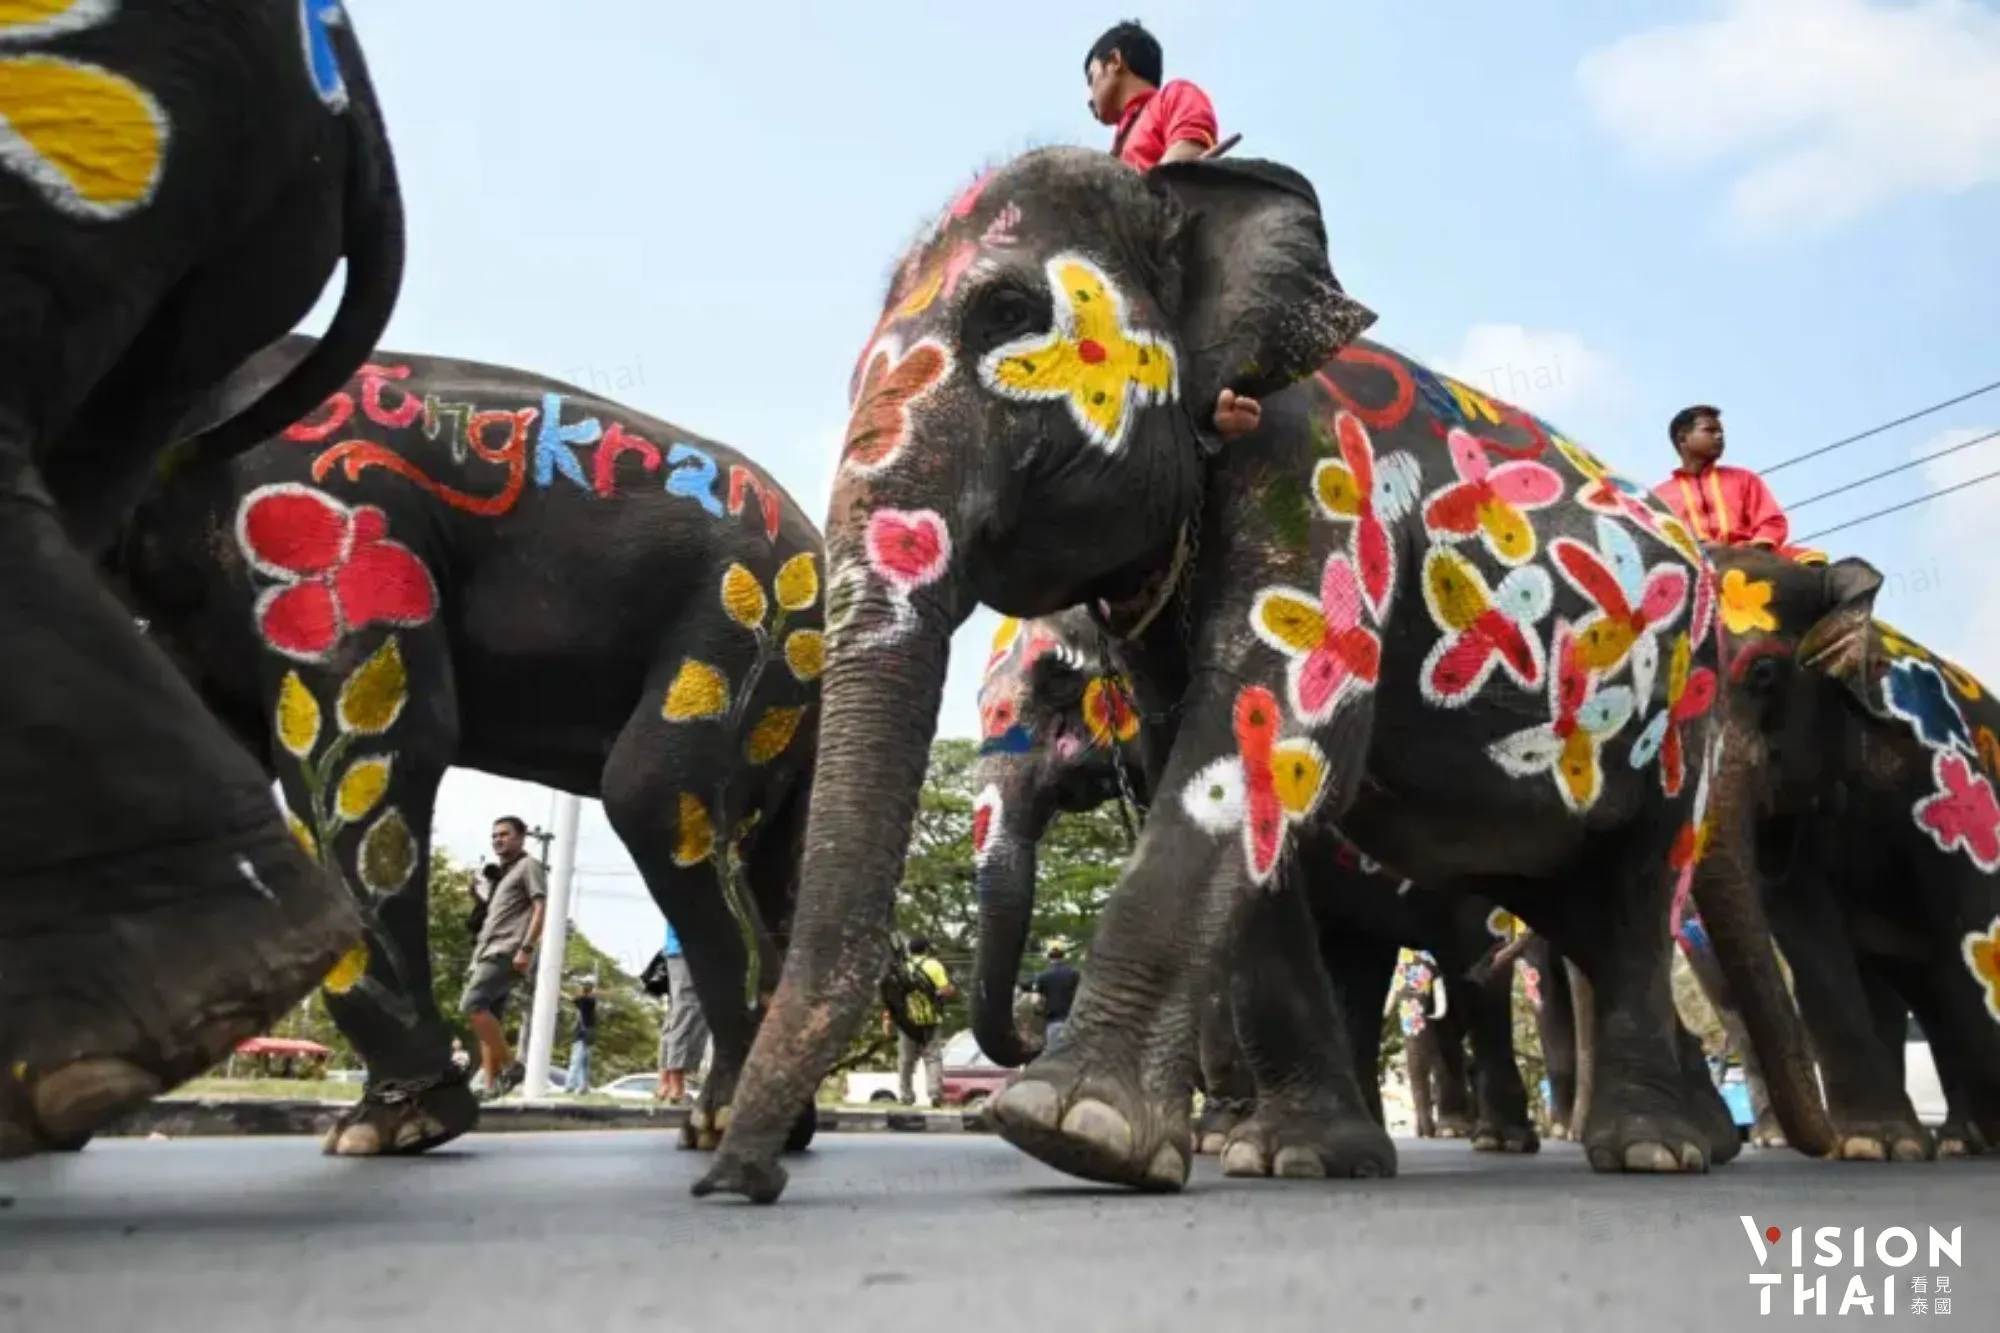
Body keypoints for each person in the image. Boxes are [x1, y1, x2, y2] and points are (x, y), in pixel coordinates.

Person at [1084, 19, 1262, 447]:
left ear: (1115, 62)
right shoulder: (1113, 149)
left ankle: (1221, 402)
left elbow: (1188, 154)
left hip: (1170, 252)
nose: (1088, 99)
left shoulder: (1172, 97)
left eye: (1091, 79)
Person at [1652, 404, 1827, 564]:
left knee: (1814, 560)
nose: (1719, 436)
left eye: (1720, 431)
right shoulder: (1659, 497)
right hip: (1693, 568)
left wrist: (1750, 549)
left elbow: (1772, 522)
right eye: (1710, 430)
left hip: (1750, 557)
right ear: (1683, 439)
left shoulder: (1744, 478)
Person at [460, 815, 547, 1099]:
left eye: (505, 834)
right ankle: (489, 1085)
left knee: (472, 1004)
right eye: (495, 835)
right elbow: (501, 913)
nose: (498, 839)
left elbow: (539, 908)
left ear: (521, 837)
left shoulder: (528, 866)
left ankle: (512, 1067)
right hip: (486, 949)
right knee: (490, 1018)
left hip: (506, 950)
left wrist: (526, 948)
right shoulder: (503, 873)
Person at [654, 918, 708, 1105]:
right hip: (686, 949)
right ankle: (676, 1087)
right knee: (687, 1011)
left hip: (679, 950)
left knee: (678, 1012)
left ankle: (665, 1083)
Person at [897, 937, 954, 1108]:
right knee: (933, 1058)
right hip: (931, 1020)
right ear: (926, 949)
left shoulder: (901, 968)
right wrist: (947, 992)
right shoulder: (934, 965)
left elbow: (893, 994)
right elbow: (945, 990)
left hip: (907, 1021)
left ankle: (906, 1096)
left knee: (906, 1060)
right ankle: (935, 1093)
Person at [1030, 942, 1080, 1047]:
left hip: (1053, 1020)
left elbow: (1035, 1001)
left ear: (1049, 957)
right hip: (1072, 1020)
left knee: (1054, 1052)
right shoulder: (1073, 974)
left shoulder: (1042, 977)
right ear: (1063, 956)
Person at [566, 977, 598, 1095]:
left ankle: (570, 1086)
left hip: (582, 1035)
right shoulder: (589, 1000)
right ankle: (584, 1087)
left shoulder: (586, 1001)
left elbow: (572, 998)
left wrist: (558, 991)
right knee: (584, 1062)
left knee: (576, 1060)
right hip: (587, 1034)